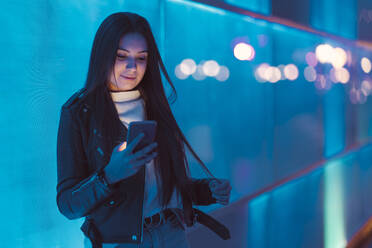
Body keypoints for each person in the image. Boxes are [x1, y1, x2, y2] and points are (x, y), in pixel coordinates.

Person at [56, 12, 232, 248]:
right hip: (120, 242)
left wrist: (208, 190)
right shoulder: (79, 112)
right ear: (103, 55)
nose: (132, 67)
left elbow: (162, 186)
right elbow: (68, 204)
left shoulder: (155, 106)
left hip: (171, 233)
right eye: (121, 56)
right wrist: (109, 176)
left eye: (141, 58)